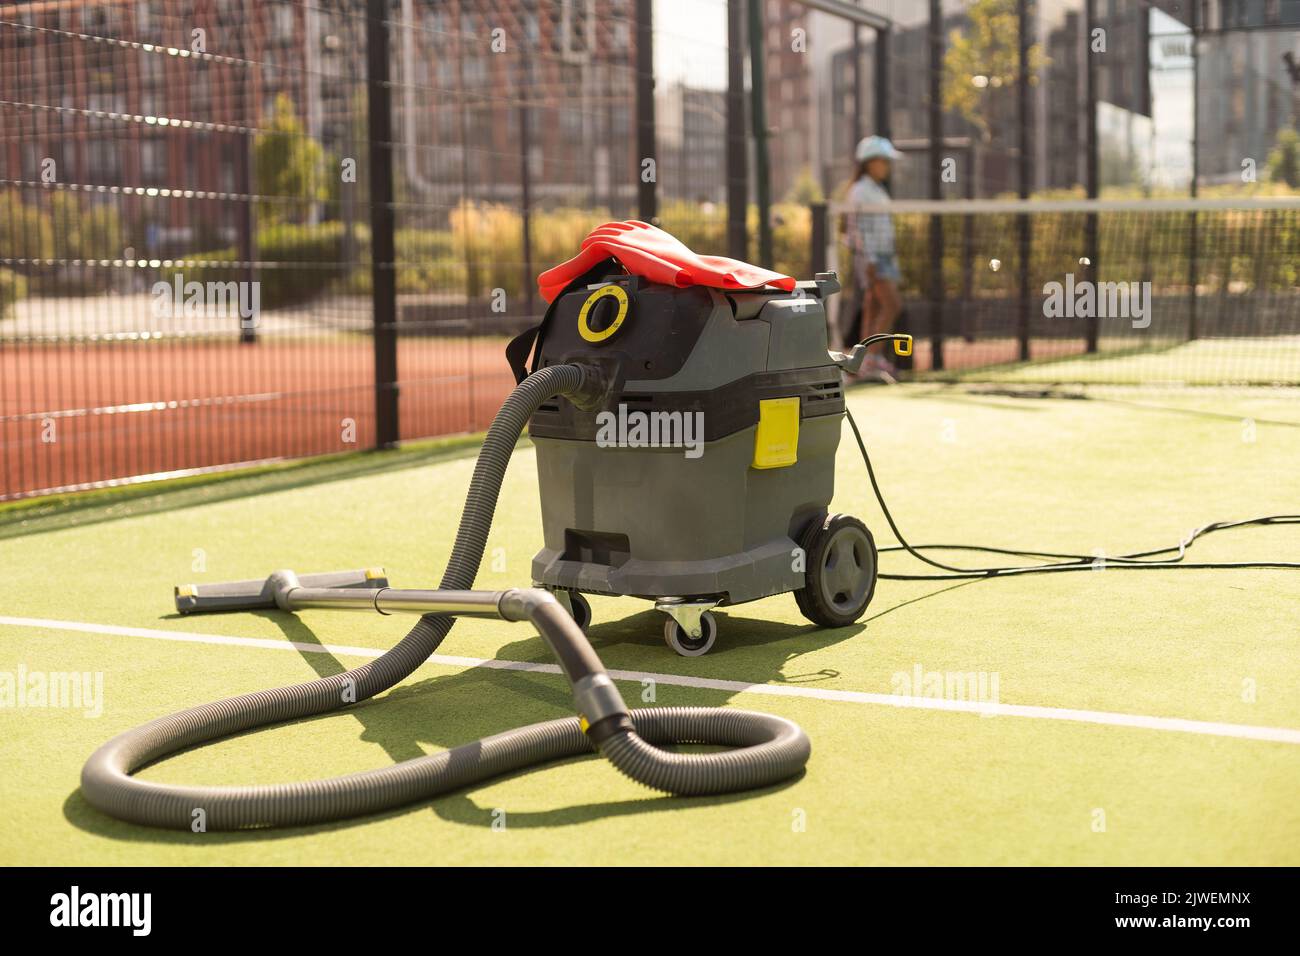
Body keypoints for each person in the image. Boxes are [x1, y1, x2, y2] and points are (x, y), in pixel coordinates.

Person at [845, 135, 903, 382]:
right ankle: (871, 359)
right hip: (873, 258)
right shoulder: (859, 191)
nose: (887, 166)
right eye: (883, 161)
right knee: (892, 304)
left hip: (885, 256)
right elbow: (856, 228)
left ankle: (862, 361)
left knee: (874, 306)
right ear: (869, 162)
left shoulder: (877, 190)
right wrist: (868, 259)